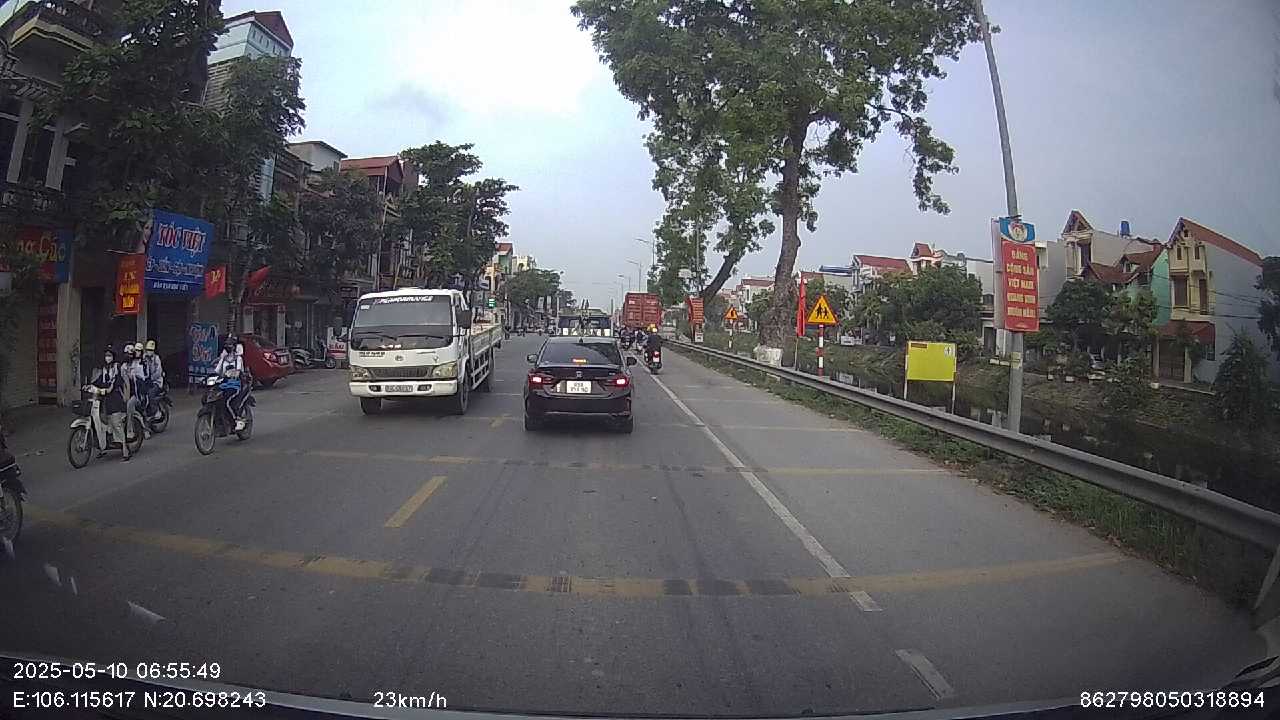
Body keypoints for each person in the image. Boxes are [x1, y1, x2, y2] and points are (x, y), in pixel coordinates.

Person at [85, 345, 131, 461]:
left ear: (113, 356)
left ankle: (125, 450)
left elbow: (116, 383)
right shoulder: (105, 368)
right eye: (106, 355)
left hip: (116, 399)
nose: (107, 357)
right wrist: (90, 386)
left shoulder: (117, 368)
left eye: (109, 355)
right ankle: (102, 447)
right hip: (105, 399)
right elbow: (99, 381)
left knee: (116, 424)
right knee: (101, 423)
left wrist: (108, 389)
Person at [212, 335, 248, 431]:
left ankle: (236, 421)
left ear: (234, 347)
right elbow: (217, 371)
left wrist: (232, 373)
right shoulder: (223, 359)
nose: (228, 347)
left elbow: (238, 371)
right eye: (227, 345)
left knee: (226, 402)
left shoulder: (238, 359)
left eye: (230, 345)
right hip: (223, 385)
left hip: (234, 385)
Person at [140, 339, 165, 421]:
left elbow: (158, 372)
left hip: (156, 382)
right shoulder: (144, 357)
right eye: (148, 350)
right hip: (146, 381)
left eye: (151, 350)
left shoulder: (156, 359)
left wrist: (151, 378)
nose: (149, 352)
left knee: (150, 393)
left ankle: (156, 411)